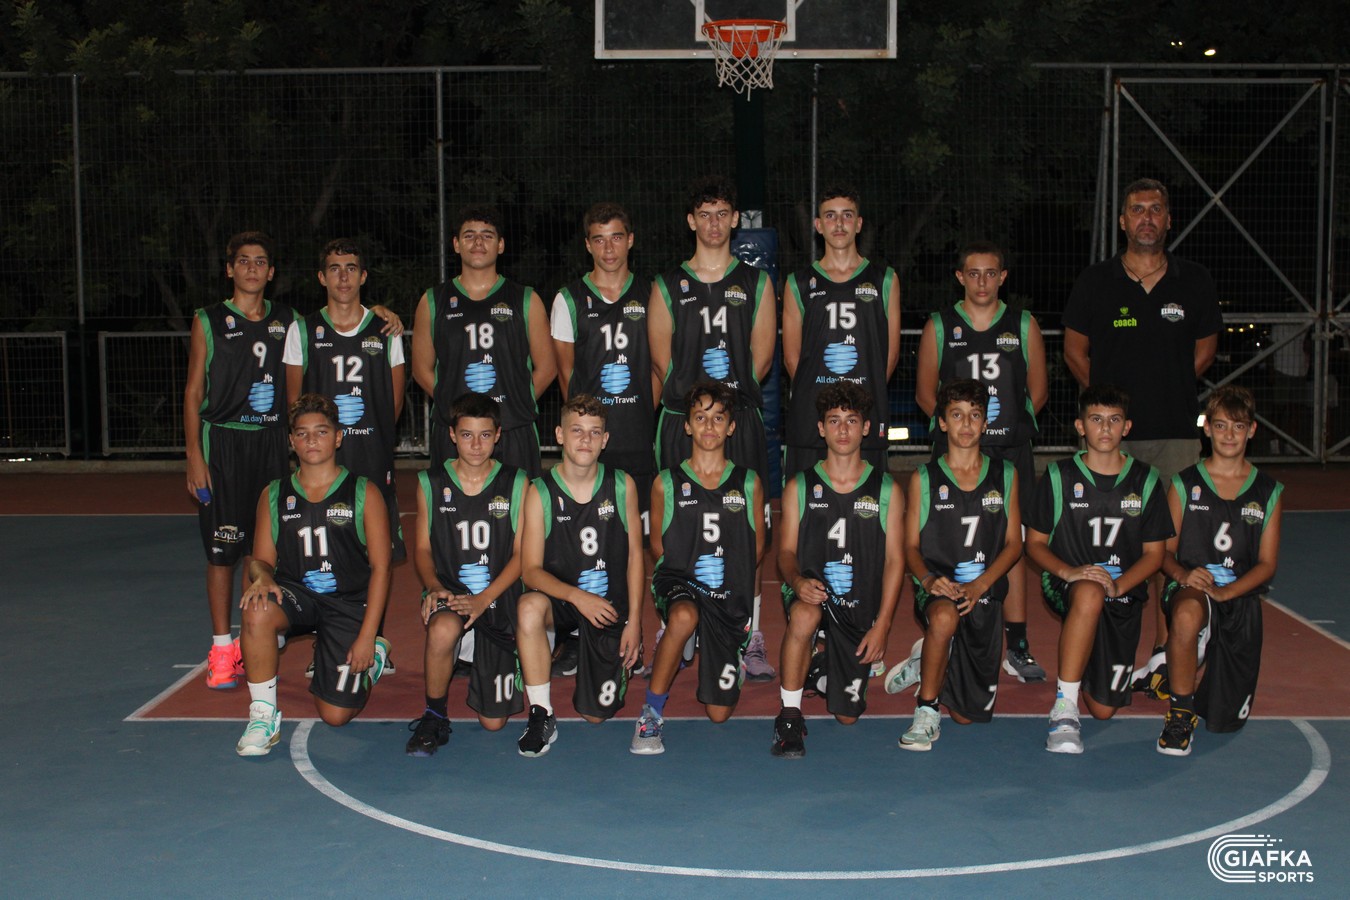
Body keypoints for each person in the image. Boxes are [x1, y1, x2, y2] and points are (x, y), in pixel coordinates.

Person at [1063, 178, 1222, 658]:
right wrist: (1106, 411)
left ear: (1169, 220)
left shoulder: (1194, 279)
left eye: (1155, 209)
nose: (1147, 218)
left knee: (1170, 549)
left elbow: (1205, 351)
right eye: (1137, 209)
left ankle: (1163, 649)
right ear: (1123, 221)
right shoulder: (1096, 281)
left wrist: (1168, 388)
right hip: (1112, 443)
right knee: (1105, 543)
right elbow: (1074, 351)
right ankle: (1101, 644)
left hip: (1175, 435)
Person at [648, 175, 776, 681]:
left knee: (748, 529)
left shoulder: (756, 282)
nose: (714, 223)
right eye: (705, 214)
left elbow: (761, 360)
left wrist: (724, 407)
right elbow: (663, 363)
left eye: (722, 213)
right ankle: (675, 625)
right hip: (681, 420)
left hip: (738, 420)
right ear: (691, 221)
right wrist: (698, 407)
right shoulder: (667, 285)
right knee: (675, 526)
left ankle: (750, 633)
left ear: (735, 219)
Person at [916, 241, 1048, 684]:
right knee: (952, 539)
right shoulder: (940, 325)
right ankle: (946, 627)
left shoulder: (1023, 324)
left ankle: (1018, 645)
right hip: (956, 453)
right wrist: (958, 433)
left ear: (1003, 277)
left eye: (991, 273)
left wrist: (1004, 428)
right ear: (960, 277)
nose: (982, 281)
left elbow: (1037, 391)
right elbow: (926, 393)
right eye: (973, 273)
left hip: (1008, 451)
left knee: (1013, 544)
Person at [234, 394, 392, 756]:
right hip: (298, 595)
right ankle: (263, 716)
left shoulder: (364, 492)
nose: (311, 440)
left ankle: (372, 660)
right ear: (291, 440)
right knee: (257, 607)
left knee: (335, 716)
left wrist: (367, 635)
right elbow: (260, 560)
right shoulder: (274, 494)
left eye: (321, 432)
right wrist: (262, 576)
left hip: (347, 604)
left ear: (337, 437)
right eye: (302, 433)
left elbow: (382, 569)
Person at [1026, 385, 1173, 754]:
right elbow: (1035, 544)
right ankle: (1064, 709)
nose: (1105, 428)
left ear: (1127, 427)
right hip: (1068, 582)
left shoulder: (1147, 480)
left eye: (1114, 420)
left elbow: (1155, 554)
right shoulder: (1059, 476)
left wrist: (1120, 586)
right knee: (1089, 592)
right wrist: (1068, 573)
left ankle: (1085, 651)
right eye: (1096, 419)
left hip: (1122, 589)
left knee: (1104, 710)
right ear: (1080, 426)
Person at [284, 239, 406, 675]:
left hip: (370, 454)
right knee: (323, 550)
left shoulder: (385, 330)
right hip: (321, 461)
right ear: (321, 277)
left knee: (375, 553)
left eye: (351, 267)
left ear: (363, 276)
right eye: (334, 268)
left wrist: (366, 437)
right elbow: (296, 403)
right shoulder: (303, 331)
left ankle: (374, 641)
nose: (343, 276)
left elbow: (392, 404)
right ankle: (327, 642)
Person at [184, 232, 297, 690]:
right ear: (229, 269)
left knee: (263, 548)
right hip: (223, 442)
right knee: (222, 550)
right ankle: (220, 649)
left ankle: (254, 639)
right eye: (244, 261)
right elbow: (194, 390)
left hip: (271, 442)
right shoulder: (208, 320)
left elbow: (335, 325)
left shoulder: (288, 320)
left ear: (271, 272)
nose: (252, 268)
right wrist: (194, 455)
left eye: (260, 261)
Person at [549, 202, 656, 678]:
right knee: (579, 541)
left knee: (632, 546)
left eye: (616, 237)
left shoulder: (652, 294)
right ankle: (576, 635)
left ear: (630, 240)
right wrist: (588, 430)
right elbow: (568, 375)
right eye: (598, 238)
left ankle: (629, 630)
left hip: (637, 439)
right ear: (587, 244)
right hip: (587, 447)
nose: (608, 247)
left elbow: (659, 368)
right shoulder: (569, 299)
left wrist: (638, 411)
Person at [631, 381, 766, 755]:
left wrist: (725, 587)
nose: (709, 426)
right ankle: (650, 715)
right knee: (684, 615)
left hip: (726, 592)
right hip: (681, 582)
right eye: (701, 418)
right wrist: (688, 580)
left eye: (718, 418)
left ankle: (726, 651)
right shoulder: (666, 482)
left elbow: (756, 547)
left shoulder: (749, 482)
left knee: (719, 714)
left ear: (731, 427)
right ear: (687, 425)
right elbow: (658, 546)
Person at [772, 383, 904, 757]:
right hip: (810, 590)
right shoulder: (800, 485)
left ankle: (822, 662)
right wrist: (797, 581)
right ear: (821, 428)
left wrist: (882, 626)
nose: (843, 429)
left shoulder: (887, 489)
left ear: (866, 428)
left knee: (847, 716)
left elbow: (895, 561)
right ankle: (789, 716)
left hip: (858, 603)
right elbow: (785, 552)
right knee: (804, 615)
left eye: (851, 421)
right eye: (834, 421)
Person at [1153, 385, 1283, 756]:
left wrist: (1228, 592)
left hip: (1237, 595)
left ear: (1251, 430)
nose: (1229, 435)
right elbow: (1163, 552)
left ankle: (1203, 645)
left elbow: (1267, 564)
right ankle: (1180, 715)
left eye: (1238, 427)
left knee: (1223, 720)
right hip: (1192, 587)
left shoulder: (1269, 490)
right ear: (1206, 428)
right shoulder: (1185, 483)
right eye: (1221, 425)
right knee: (1187, 613)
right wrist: (1182, 576)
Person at [894, 379, 1022, 751]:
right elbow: (910, 546)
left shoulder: (1006, 474)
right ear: (942, 422)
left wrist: (981, 584)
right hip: (940, 586)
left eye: (974, 415)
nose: (966, 424)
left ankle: (928, 657)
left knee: (967, 717)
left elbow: (1014, 545)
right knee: (943, 617)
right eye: (956, 415)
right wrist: (927, 580)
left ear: (985, 422)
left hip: (984, 591)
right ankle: (926, 710)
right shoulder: (924, 478)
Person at [514, 395, 644, 756]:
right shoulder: (539, 491)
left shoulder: (622, 485)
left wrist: (635, 621)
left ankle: (591, 650)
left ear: (605, 440)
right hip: (563, 600)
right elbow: (530, 570)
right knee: (528, 607)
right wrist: (576, 596)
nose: (585, 439)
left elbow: (635, 556)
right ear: (559, 435)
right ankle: (541, 712)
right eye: (577, 431)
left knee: (595, 714)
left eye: (594, 432)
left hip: (607, 606)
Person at [405, 394, 529, 756]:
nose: (476, 445)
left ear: (498, 435)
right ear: (452, 435)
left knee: (494, 722)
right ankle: (434, 715)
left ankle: (481, 655)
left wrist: (484, 599)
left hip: (498, 596)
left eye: (485, 435)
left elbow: (522, 555)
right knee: (442, 627)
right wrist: (434, 587)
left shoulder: (516, 481)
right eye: (467, 435)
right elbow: (423, 550)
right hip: (452, 591)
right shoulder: (430, 482)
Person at [412, 206, 556, 479]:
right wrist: (458, 410)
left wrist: (514, 405)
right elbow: (421, 370)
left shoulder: (526, 299)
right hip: (456, 432)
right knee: (451, 506)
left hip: (512, 428)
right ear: (456, 244)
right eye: (469, 235)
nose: (478, 242)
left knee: (522, 505)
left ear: (501, 245)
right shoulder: (433, 301)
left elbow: (547, 368)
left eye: (487, 235)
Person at [781, 184, 900, 478]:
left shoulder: (884, 279)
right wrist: (819, 396)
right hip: (812, 417)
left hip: (865, 413)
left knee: (870, 503)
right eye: (830, 216)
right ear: (818, 225)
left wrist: (862, 395)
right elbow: (792, 359)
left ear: (858, 224)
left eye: (847, 215)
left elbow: (889, 356)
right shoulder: (798, 283)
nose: (839, 223)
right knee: (804, 502)